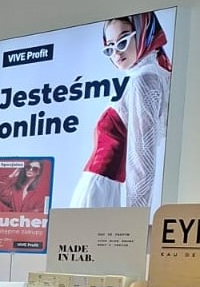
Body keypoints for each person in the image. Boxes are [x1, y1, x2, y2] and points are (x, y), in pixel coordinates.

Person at [70, 12, 172, 210]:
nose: (116, 53)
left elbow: (142, 161)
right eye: (110, 48)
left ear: (142, 32)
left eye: (123, 41)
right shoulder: (154, 74)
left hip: (101, 191)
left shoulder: (143, 79)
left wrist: (136, 217)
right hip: (103, 189)